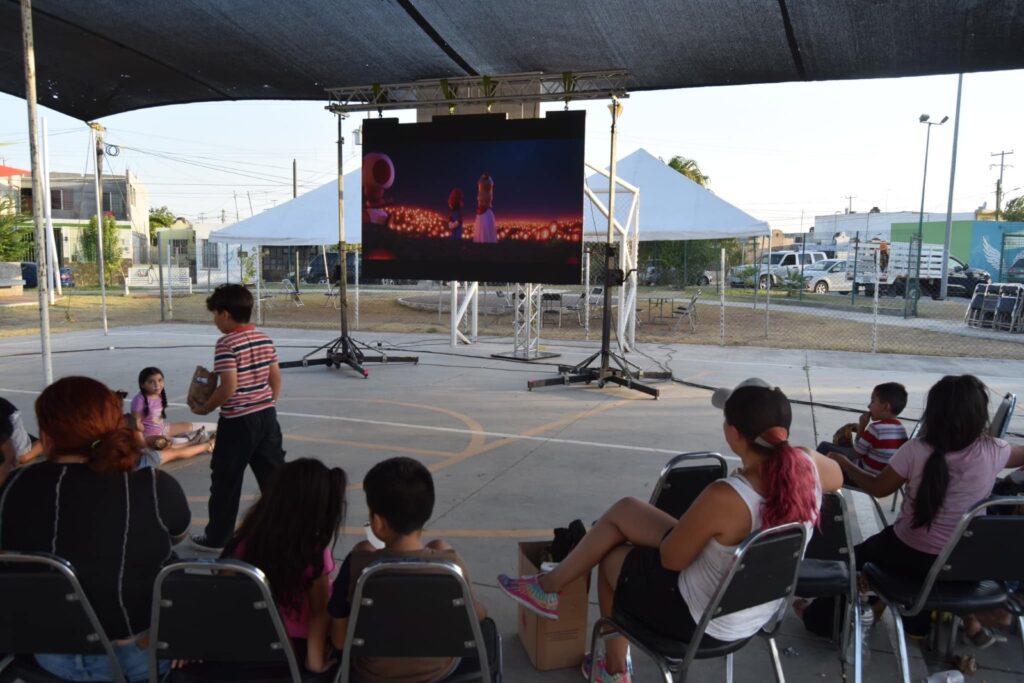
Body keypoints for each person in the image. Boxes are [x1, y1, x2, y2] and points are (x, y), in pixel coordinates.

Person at [497, 378, 841, 683]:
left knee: (612, 556)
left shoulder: (728, 496)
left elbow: (672, 559)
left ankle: (614, 669)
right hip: (752, 612)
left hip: (701, 622)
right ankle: (548, 588)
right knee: (627, 510)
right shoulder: (807, 467)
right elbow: (838, 476)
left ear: (732, 433)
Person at [0, 377, 190, 682]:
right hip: (143, 657)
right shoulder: (154, 485)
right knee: (180, 560)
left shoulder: (16, 486)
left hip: (54, 654)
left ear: (46, 437)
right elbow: (178, 534)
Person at [830, 374, 1024, 646]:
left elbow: (877, 488)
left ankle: (819, 618)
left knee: (845, 561)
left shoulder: (915, 450)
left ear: (933, 413)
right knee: (934, 572)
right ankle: (960, 620)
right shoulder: (995, 450)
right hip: (964, 563)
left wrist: (844, 462)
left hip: (908, 552)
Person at [328, 457, 488, 683]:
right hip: (439, 671)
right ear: (427, 511)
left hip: (374, 672)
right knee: (440, 546)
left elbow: (339, 640)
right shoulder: (451, 568)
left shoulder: (358, 565)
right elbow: (476, 616)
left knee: (365, 548)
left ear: (378, 522)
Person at [223, 458, 347, 674]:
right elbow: (319, 613)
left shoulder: (244, 543)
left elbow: (220, 591)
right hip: (295, 649)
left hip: (247, 645)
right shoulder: (314, 551)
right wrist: (314, 663)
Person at [189, 283, 285, 552]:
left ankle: (218, 538)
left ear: (226, 314)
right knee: (274, 479)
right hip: (266, 417)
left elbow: (228, 386)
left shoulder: (226, 343)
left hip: (237, 422)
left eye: (216, 314)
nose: (215, 320)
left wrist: (206, 408)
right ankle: (285, 532)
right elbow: (275, 378)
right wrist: (267, 405)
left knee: (226, 481)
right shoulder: (264, 338)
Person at [819, 382, 908, 476]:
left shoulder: (875, 428)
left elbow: (856, 453)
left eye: (873, 401)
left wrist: (862, 427)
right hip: (883, 478)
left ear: (885, 406)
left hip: (862, 476)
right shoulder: (901, 429)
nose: (869, 406)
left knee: (824, 447)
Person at [131, 366, 210, 450]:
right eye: (151, 382)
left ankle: (214, 428)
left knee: (188, 425)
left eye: (160, 380)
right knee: (167, 442)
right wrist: (142, 438)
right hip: (150, 437)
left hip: (163, 429)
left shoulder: (158, 394)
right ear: (142, 385)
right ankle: (192, 441)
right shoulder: (139, 399)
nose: (157, 385)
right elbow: (136, 424)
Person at [473, 173, 497, 244]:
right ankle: (484, 239)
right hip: (484, 208)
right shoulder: (487, 188)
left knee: (484, 225)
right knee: (484, 225)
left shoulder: (486, 190)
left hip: (484, 208)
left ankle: (484, 239)